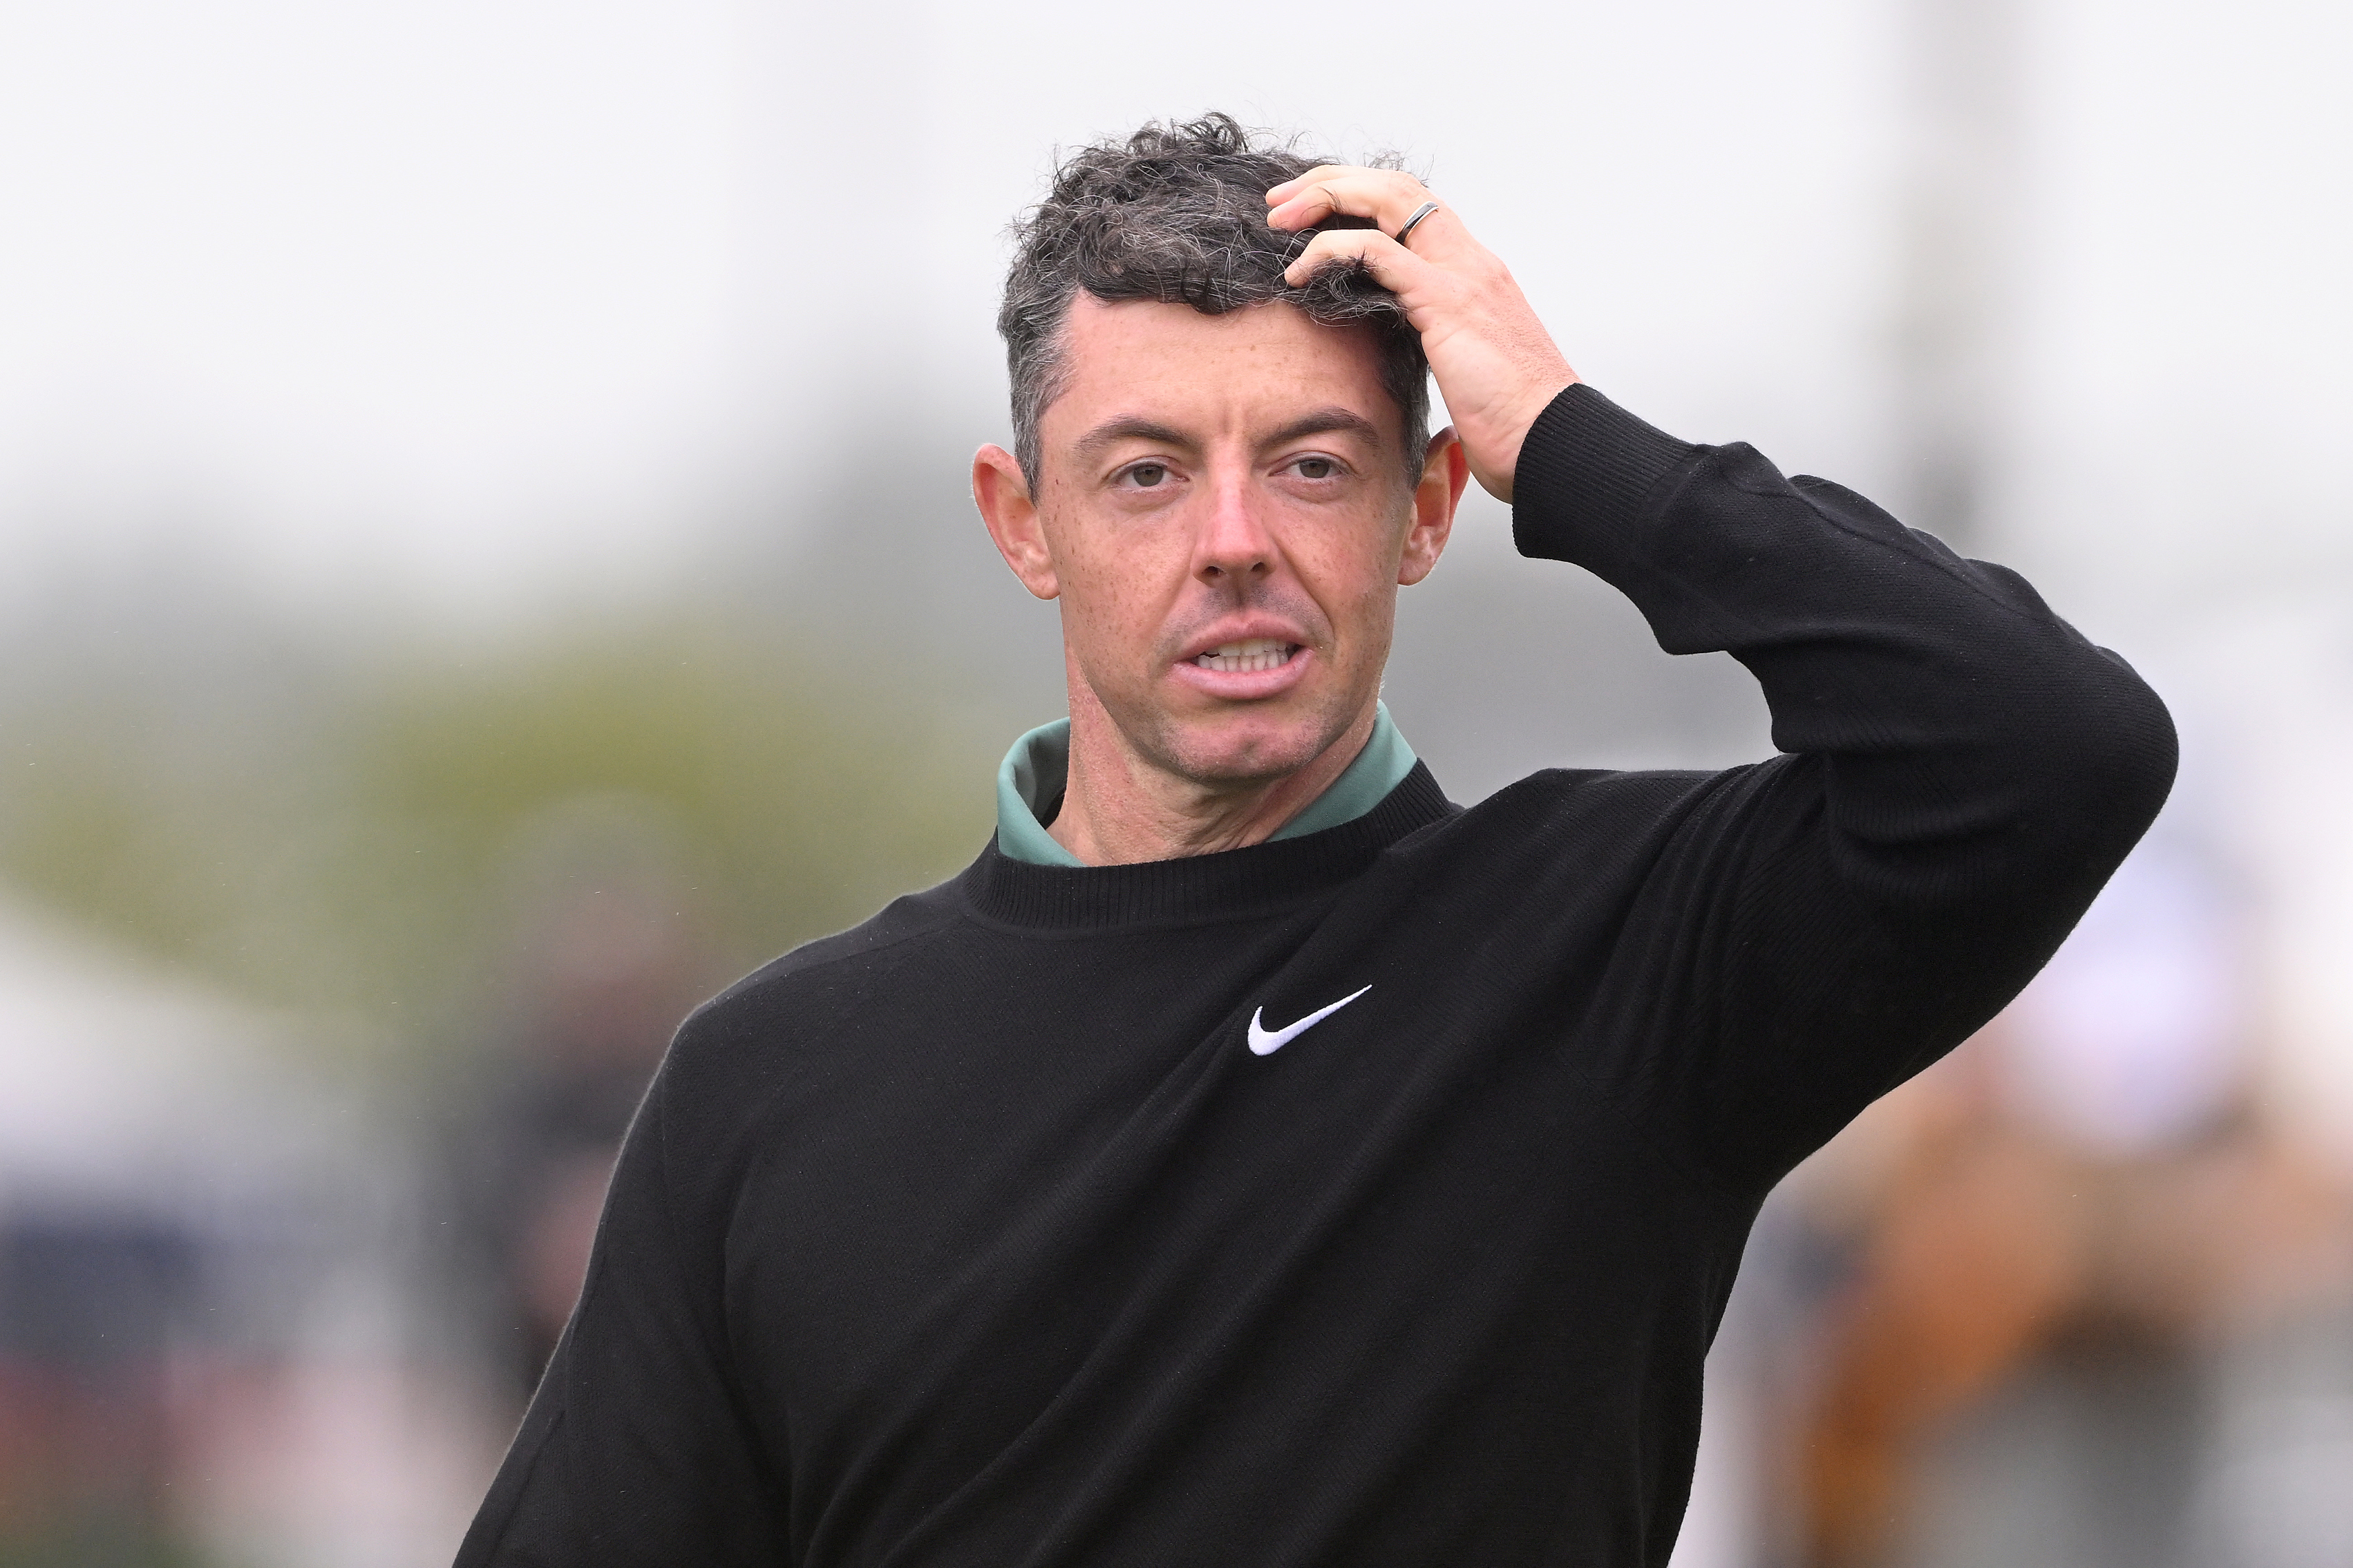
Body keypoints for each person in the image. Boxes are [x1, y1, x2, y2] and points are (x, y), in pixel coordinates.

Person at [455, 114, 2175, 1567]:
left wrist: (1574, 443)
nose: (1231, 543)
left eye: (1311, 465)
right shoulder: (766, 1089)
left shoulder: (1614, 955)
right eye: (1143, 473)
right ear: (1020, 520)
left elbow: (2049, 747)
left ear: (1426, 507)